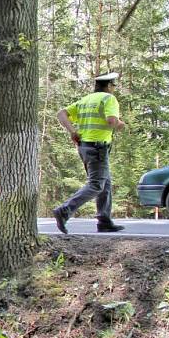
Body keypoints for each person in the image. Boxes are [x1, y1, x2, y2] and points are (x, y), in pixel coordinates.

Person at [53, 72, 126, 234]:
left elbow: (61, 113)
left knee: (105, 183)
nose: (113, 89)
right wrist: (120, 124)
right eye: (113, 85)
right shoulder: (108, 99)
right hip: (97, 147)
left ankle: (104, 221)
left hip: (85, 147)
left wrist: (72, 131)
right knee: (96, 184)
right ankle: (64, 210)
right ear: (108, 86)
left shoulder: (86, 100)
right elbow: (111, 121)